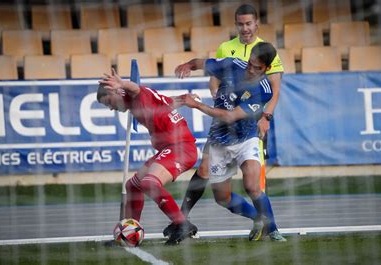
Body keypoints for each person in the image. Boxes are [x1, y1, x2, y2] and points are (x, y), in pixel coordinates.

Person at [164, 3, 284, 238]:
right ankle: (255, 218)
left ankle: (274, 231)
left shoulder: (263, 90)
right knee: (222, 196)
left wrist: (196, 105)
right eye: (241, 23)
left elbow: (233, 114)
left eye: (248, 23)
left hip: (247, 134)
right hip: (219, 134)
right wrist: (188, 65)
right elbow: (208, 65)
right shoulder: (231, 57)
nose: (250, 69)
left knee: (253, 185)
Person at [97, 68, 198, 245]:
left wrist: (122, 83)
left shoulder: (135, 96)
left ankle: (181, 224)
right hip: (169, 148)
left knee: (149, 183)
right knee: (133, 186)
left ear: (115, 91)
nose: (111, 108)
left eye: (108, 103)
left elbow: (136, 88)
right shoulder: (135, 102)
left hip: (181, 148)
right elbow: (166, 102)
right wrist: (183, 99)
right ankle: (129, 232)